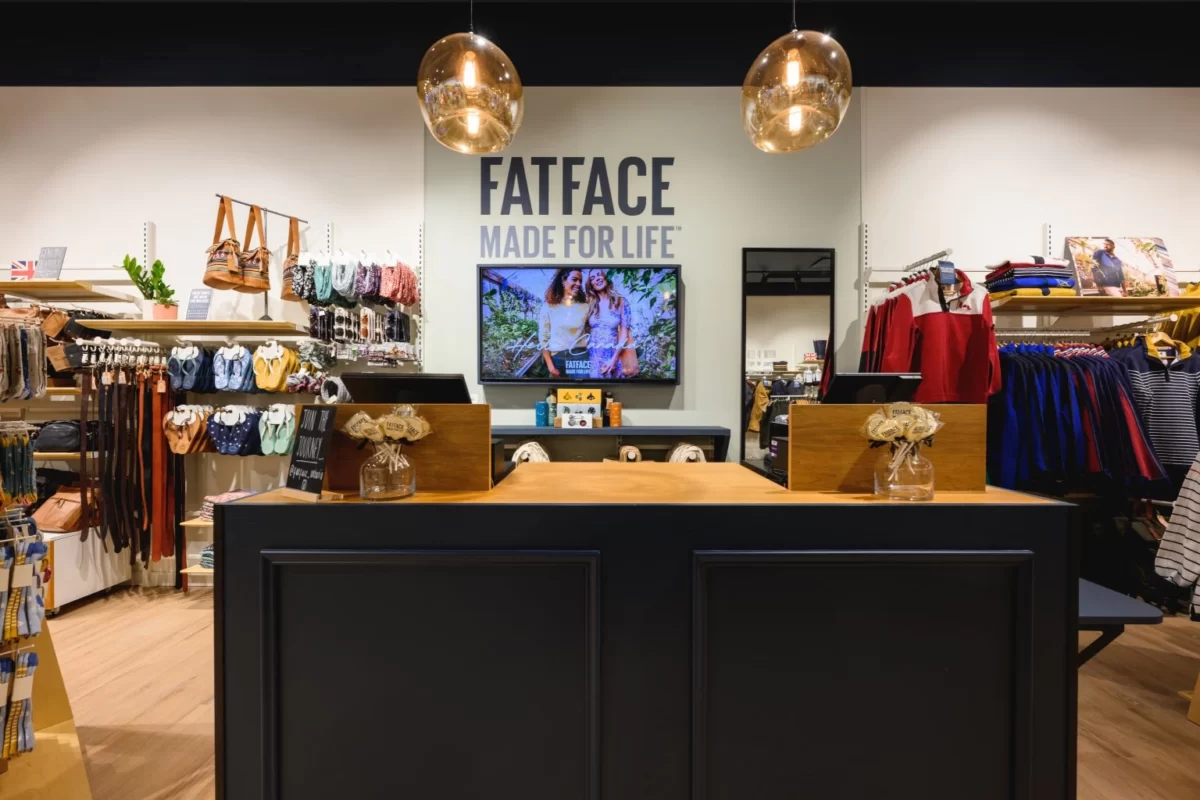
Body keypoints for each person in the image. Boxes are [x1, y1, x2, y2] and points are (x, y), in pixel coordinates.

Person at [584, 268, 635, 378]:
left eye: (599, 275)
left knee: (613, 384)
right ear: (591, 285)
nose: (597, 279)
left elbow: (624, 335)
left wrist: (614, 360)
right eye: (592, 278)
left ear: (606, 277)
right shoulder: (589, 304)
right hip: (593, 356)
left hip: (613, 355)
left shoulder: (621, 302)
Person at [538, 268, 589, 378]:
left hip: (579, 356)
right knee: (560, 389)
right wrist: (551, 367)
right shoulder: (549, 306)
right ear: (563, 280)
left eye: (580, 281)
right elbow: (543, 338)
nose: (578, 284)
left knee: (582, 388)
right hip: (557, 358)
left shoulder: (585, 306)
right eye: (574, 279)